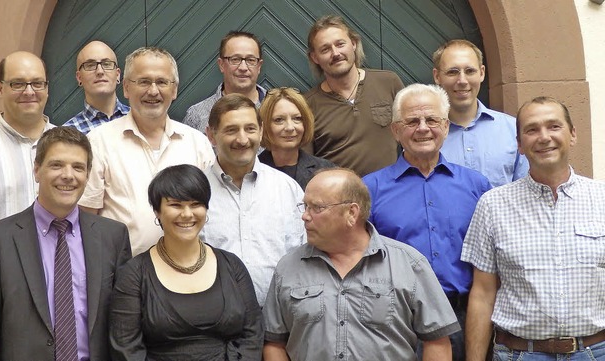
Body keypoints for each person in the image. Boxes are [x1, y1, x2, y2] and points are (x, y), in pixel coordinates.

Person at [0, 126, 132, 360]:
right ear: (36, 170)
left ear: (88, 174)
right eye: (56, 165)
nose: (68, 175)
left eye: (78, 167)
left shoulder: (113, 237)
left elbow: (125, 326)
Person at [262, 168, 460, 360]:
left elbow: (437, 342)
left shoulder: (409, 264)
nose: (305, 216)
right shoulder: (288, 268)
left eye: (317, 208)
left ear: (352, 213)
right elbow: (274, 343)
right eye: (304, 206)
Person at [462, 96, 605, 361]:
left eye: (554, 126)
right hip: (520, 353)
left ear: (572, 135)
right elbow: (482, 294)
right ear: (519, 145)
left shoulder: (602, 199)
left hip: (595, 351)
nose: (543, 137)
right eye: (531, 130)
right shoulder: (493, 205)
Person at [363, 83, 491, 361]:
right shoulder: (370, 189)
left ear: (445, 127)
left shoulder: (477, 186)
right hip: (395, 322)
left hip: (462, 318)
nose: (423, 128)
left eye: (432, 119)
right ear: (396, 131)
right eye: (411, 121)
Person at [110, 164, 263, 360]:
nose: (187, 214)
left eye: (196, 204)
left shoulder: (232, 265)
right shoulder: (134, 274)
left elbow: (252, 335)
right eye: (176, 205)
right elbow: (126, 348)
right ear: (157, 211)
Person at [79, 47, 215, 256]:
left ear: (175, 90)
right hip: (121, 272)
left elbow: (212, 213)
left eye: (162, 82)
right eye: (143, 82)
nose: (153, 91)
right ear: (125, 88)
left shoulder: (197, 143)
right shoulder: (99, 142)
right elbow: (87, 218)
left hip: (187, 272)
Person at [0, 51, 56, 301]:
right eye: (18, 83)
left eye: (37, 83)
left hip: (60, 286)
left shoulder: (69, 145)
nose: (29, 91)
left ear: (47, 88)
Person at [202, 94, 305, 306]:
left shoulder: (287, 189)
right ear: (211, 135)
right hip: (214, 318)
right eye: (231, 130)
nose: (242, 139)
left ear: (260, 130)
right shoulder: (196, 192)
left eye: (250, 129)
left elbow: (305, 254)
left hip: (281, 317)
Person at [303, 15, 404, 176]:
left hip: (390, 194)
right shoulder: (307, 105)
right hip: (339, 198)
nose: (335, 53)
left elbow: (411, 135)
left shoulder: (389, 82)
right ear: (315, 57)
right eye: (325, 49)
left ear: (354, 44)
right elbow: (306, 166)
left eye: (340, 44)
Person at [433, 39, 528, 187]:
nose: (462, 80)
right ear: (437, 76)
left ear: (482, 73)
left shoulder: (512, 130)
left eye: (470, 71)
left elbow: (527, 192)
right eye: (453, 72)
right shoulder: (426, 135)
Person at [183, 31, 267, 133]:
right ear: (221, 65)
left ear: (259, 66)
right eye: (235, 59)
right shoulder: (197, 116)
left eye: (251, 60)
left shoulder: (278, 110)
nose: (243, 68)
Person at [258, 87, 334, 189]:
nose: (290, 127)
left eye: (297, 118)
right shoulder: (251, 172)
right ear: (265, 125)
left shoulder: (326, 171)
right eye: (279, 120)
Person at [63, 40, 130, 134]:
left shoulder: (140, 120)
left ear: (118, 75)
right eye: (90, 65)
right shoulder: (68, 134)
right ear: (79, 78)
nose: (100, 71)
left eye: (106, 64)